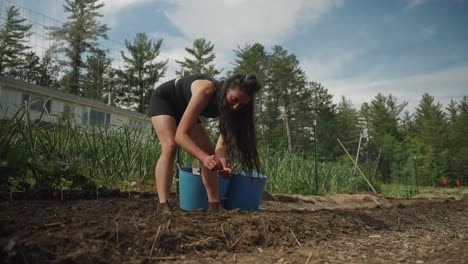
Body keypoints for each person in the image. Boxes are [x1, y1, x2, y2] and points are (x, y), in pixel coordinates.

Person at [149, 73, 262, 213]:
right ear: (226, 89)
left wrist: (223, 166)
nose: (235, 107)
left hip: (186, 107)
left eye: (242, 104)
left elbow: (221, 145)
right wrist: (203, 158)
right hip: (166, 101)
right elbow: (180, 136)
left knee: (209, 151)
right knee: (170, 146)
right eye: (234, 100)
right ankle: (163, 204)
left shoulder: (234, 109)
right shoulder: (206, 90)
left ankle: (214, 205)